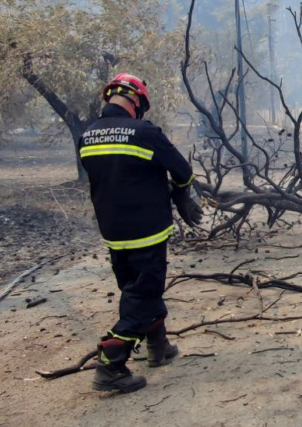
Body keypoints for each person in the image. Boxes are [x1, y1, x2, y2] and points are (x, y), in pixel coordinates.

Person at [79, 73, 203, 394]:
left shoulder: (87, 135)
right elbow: (183, 170)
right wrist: (181, 195)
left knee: (134, 289)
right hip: (146, 230)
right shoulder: (144, 132)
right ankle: (111, 362)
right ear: (137, 102)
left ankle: (158, 345)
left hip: (112, 231)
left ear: (110, 98)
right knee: (144, 293)